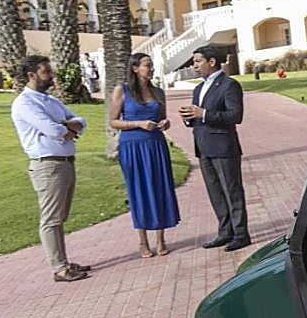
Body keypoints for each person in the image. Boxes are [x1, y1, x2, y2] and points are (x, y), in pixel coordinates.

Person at [10, 54, 93, 283]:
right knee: (51, 218)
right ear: (31, 75)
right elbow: (54, 131)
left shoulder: (50, 101)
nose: (51, 74)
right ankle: (59, 267)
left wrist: (68, 126)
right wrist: (65, 127)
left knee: (60, 216)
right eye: (46, 71)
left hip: (65, 163)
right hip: (47, 165)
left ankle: (63, 261)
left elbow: (80, 120)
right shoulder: (25, 103)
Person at [109, 52, 181, 258]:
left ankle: (160, 240)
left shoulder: (158, 92)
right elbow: (113, 121)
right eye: (147, 65)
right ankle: (142, 242)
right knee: (138, 190)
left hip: (155, 144)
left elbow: (163, 118)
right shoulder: (121, 91)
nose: (151, 69)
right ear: (135, 68)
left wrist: (166, 123)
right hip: (132, 146)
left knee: (159, 188)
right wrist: (137, 123)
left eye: (151, 65)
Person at [177, 45, 250, 251]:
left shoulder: (229, 85)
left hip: (224, 147)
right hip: (203, 147)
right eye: (194, 62)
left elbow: (236, 115)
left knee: (232, 190)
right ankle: (225, 232)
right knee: (215, 192)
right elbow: (197, 115)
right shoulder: (198, 88)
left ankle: (241, 234)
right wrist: (189, 118)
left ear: (212, 62)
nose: (194, 65)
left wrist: (204, 114)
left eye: (198, 61)